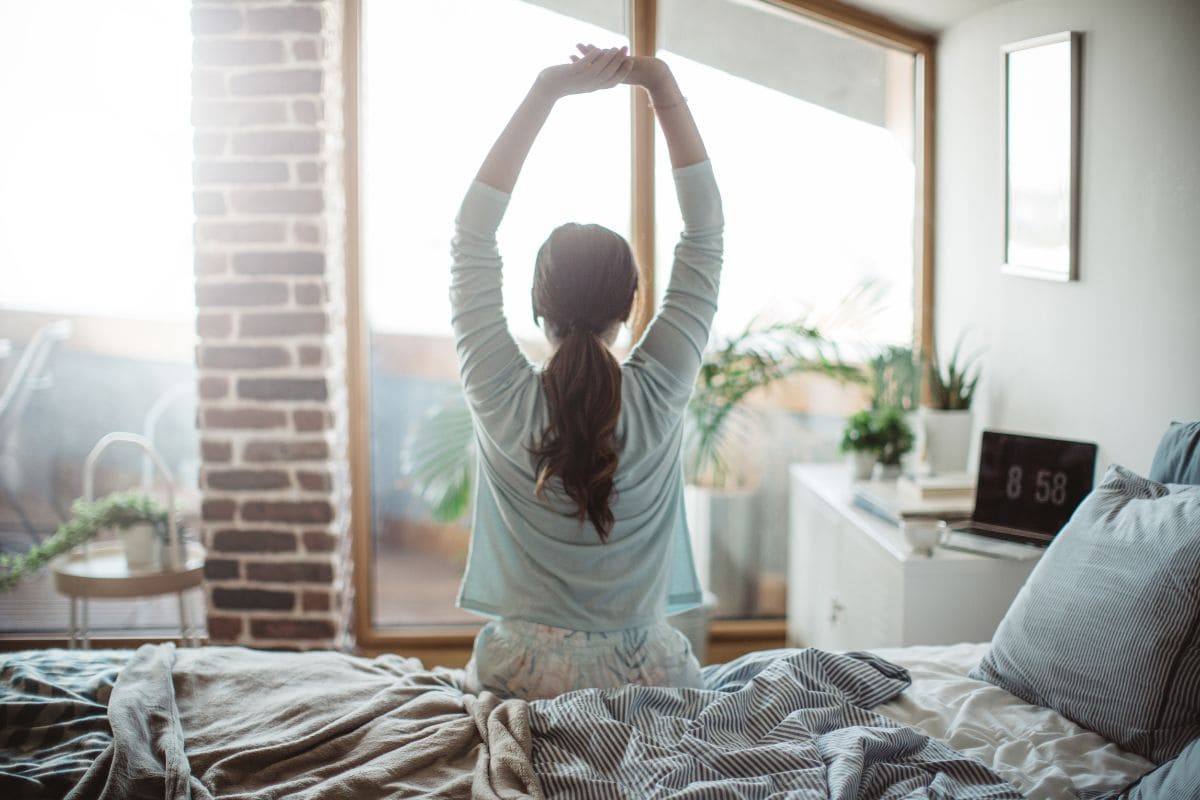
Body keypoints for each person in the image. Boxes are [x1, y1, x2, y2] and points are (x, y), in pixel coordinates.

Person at [451, 44, 723, 700]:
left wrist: (546, 91)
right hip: (650, 679)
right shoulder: (659, 391)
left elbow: (470, 237)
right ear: (631, 305)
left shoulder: (498, 395)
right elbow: (706, 232)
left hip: (520, 678)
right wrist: (659, 81)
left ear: (537, 305)